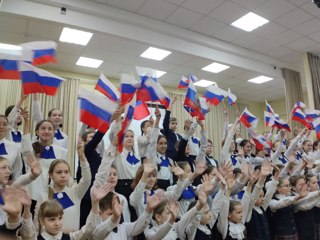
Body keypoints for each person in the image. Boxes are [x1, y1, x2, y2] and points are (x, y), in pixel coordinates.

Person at [33, 139, 91, 232]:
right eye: (59, 172)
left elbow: (87, 179)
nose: (63, 175)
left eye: (66, 172)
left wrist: (82, 158)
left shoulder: (75, 192)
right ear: (51, 175)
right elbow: (37, 224)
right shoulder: (43, 196)